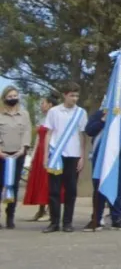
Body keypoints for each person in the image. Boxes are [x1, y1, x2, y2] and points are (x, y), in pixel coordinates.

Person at [84, 103, 121, 231]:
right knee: (99, 187)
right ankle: (96, 219)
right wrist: (103, 121)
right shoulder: (99, 114)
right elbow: (89, 131)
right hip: (101, 156)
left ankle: (117, 219)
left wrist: (116, 131)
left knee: (118, 187)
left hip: (119, 156)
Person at [43, 83, 88, 233]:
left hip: (73, 155)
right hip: (56, 155)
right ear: (65, 95)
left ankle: (67, 222)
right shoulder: (54, 112)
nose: (74, 99)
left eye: (76, 96)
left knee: (71, 190)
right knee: (54, 191)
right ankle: (54, 222)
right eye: (72, 95)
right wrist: (45, 155)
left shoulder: (81, 113)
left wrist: (82, 156)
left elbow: (82, 136)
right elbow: (48, 134)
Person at [23, 94, 61, 222]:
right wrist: (33, 155)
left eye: (43, 103)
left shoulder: (56, 117)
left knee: (48, 182)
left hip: (50, 151)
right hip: (40, 152)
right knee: (40, 181)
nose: (41, 105)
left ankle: (51, 211)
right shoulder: (43, 119)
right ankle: (40, 209)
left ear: (50, 104)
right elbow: (39, 138)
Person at [0, 86, 32, 228]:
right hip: (2, 154)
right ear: (4, 98)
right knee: (1, 184)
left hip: (18, 154)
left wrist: (23, 148)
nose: (13, 98)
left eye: (15, 96)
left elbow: (27, 131)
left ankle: (10, 216)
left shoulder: (24, 114)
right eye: (10, 96)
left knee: (13, 185)